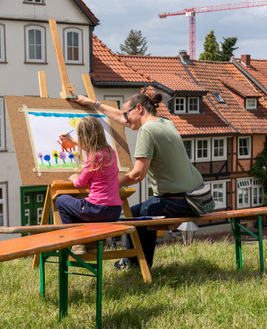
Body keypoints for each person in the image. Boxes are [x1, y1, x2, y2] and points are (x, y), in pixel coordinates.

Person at [72, 92, 204, 267]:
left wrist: (110, 184)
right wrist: (92, 103)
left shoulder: (147, 131)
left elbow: (137, 175)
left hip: (178, 201)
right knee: (136, 212)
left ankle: (136, 263)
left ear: (139, 109)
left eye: (128, 114)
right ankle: (136, 262)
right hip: (197, 196)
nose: (126, 119)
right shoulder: (166, 123)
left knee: (140, 214)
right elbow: (121, 117)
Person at [55, 116, 122, 255]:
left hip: (97, 209)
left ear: (84, 137)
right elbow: (90, 146)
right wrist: (71, 140)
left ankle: (76, 242)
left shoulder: (94, 156)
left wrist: (74, 177)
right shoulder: (111, 152)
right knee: (80, 205)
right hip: (114, 211)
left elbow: (80, 183)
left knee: (61, 201)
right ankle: (92, 244)